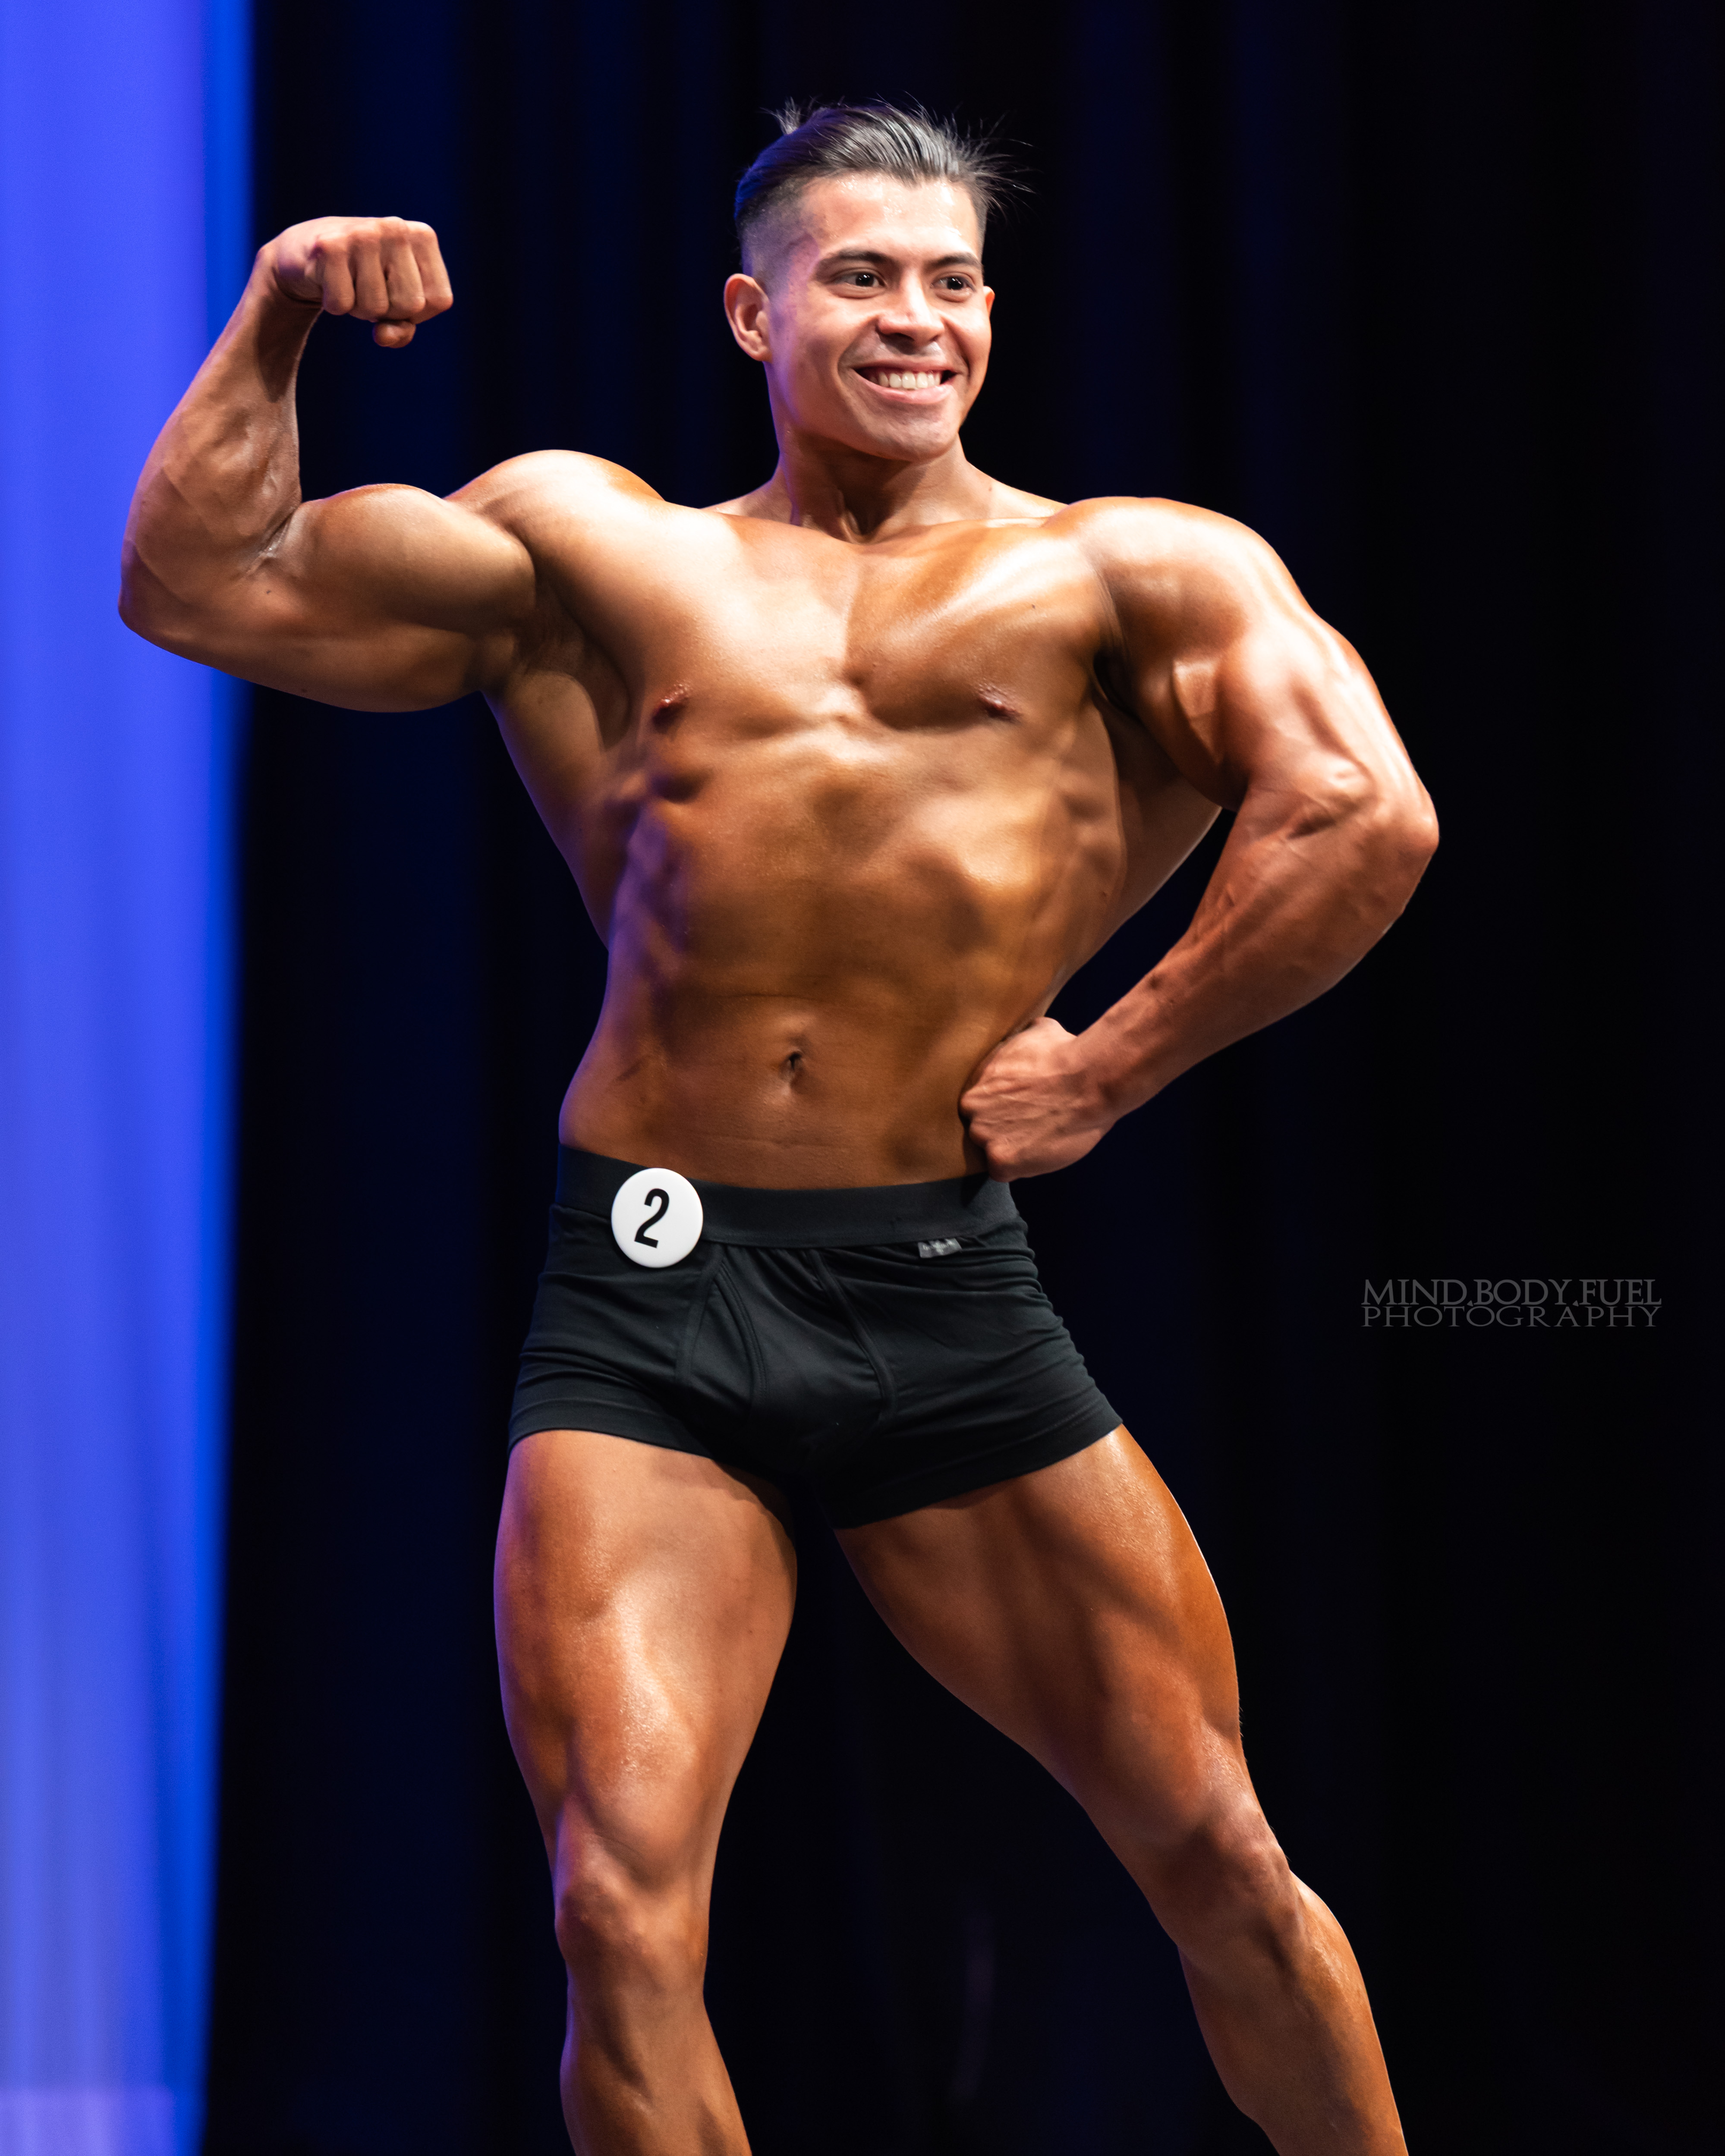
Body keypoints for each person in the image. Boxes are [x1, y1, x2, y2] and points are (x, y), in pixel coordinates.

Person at [123, 100, 1435, 2156]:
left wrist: (1112, 1063)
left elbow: (1364, 811)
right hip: (650, 1293)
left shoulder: (1132, 567)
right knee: (615, 1912)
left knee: (1212, 1842)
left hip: (938, 1293)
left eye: (955, 281)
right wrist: (280, 309)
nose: (919, 318)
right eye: (863, 277)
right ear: (755, 313)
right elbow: (203, 583)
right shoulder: (601, 550)